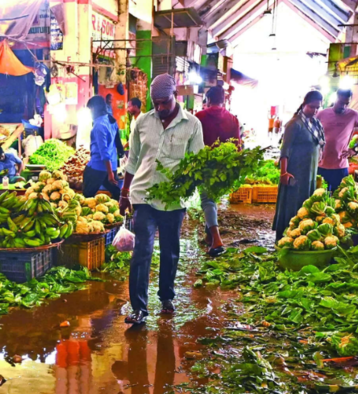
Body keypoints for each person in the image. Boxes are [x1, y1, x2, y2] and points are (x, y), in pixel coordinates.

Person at [121, 74, 205, 326]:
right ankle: (139, 309)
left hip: (173, 200)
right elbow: (133, 160)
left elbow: (196, 163)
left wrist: (190, 188)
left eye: (164, 103)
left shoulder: (192, 124)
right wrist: (124, 193)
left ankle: (166, 296)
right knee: (142, 252)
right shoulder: (143, 122)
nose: (159, 108)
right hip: (144, 195)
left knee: (170, 252)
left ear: (175, 96)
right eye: (155, 103)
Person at [195, 85, 241, 257]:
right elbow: (237, 147)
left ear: (207, 100)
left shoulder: (199, 117)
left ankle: (216, 238)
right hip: (224, 169)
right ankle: (209, 236)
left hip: (204, 166)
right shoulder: (232, 119)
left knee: (208, 201)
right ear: (223, 100)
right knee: (211, 201)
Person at [273, 91, 325, 241]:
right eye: (312, 107)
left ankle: (299, 236)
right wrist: (284, 173)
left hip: (309, 173)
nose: (314, 111)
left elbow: (319, 144)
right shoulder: (295, 124)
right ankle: (285, 237)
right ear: (304, 104)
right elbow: (285, 150)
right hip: (296, 172)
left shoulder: (315, 123)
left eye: (317, 108)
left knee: (305, 203)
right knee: (292, 204)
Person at [316, 89, 358, 193]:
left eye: (346, 103)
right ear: (336, 98)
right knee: (319, 197)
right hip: (321, 165)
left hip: (340, 166)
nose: (343, 106)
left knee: (339, 199)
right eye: (341, 103)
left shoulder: (353, 115)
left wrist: (355, 149)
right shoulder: (322, 114)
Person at [83, 96, 120, 198]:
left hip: (99, 166)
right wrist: (111, 171)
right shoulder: (111, 120)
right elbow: (115, 143)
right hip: (111, 165)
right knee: (116, 192)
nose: (90, 113)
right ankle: (118, 211)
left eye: (90, 109)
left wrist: (110, 174)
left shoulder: (99, 125)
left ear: (94, 109)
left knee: (87, 195)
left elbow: (104, 152)